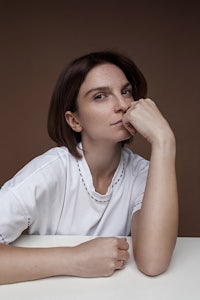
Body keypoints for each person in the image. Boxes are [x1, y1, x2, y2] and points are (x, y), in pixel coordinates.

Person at [0, 50, 178, 284]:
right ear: (74, 120)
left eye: (125, 91)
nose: (123, 105)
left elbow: (153, 262)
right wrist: (74, 259)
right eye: (100, 96)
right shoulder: (51, 170)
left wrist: (164, 141)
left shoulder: (144, 173)